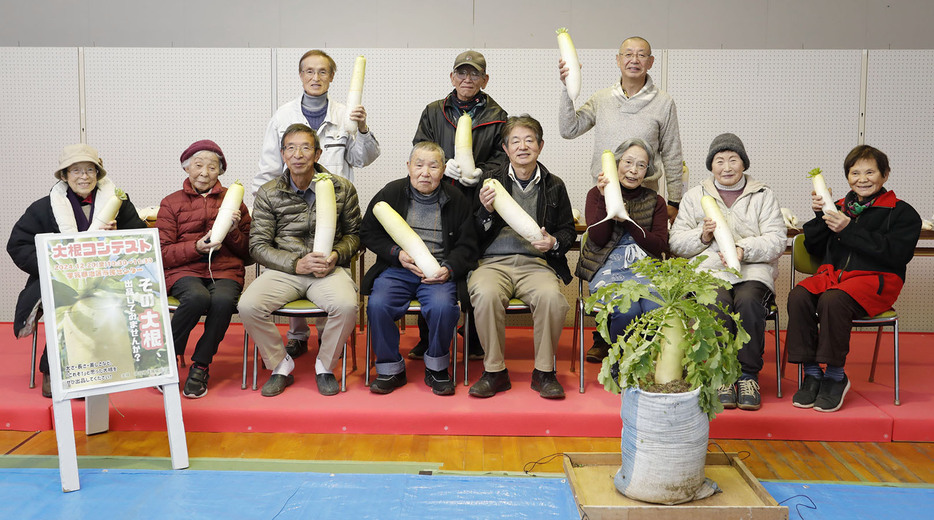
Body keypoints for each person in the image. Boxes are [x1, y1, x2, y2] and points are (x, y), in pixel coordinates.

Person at [254, 49, 379, 361]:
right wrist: (262, 208)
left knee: (323, 258)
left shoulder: (346, 114)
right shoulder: (283, 116)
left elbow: (363, 159)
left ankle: (327, 336)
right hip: (290, 203)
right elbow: (269, 167)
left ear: (332, 77)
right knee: (293, 249)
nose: (315, 77)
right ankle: (297, 335)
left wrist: (361, 128)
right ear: (300, 76)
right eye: (309, 71)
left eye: (322, 72)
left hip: (332, 205)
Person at [786, 145, 920, 413]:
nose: (862, 178)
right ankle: (812, 373)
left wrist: (848, 229)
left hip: (877, 280)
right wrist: (820, 214)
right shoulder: (837, 207)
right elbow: (813, 248)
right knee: (798, 296)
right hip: (834, 277)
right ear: (847, 176)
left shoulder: (902, 213)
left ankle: (835, 376)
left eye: (870, 172)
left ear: (885, 175)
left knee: (832, 300)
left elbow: (896, 255)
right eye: (855, 172)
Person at [7, 144, 147, 398]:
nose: (84, 176)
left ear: (98, 174)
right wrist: (55, 266)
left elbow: (140, 239)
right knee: (67, 302)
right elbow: (17, 244)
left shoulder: (119, 203)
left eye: (90, 170)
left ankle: (98, 368)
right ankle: (51, 369)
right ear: (64, 176)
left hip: (107, 276)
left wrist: (118, 238)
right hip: (59, 279)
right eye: (76, 171)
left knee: (104, 298)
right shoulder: (43, 207)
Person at [238, 124, 361, 397]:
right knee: (248, 305)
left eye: (305, 147)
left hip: (328, 269)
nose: (298, 154)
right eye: (291, 148)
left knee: (346, 305)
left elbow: (355, 236)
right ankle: (280, 364)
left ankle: (324, 365)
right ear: (283, 154)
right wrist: (296, 263)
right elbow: (258, 245)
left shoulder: (342, 188)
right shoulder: (269, 192)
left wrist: (336, 254)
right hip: (286, 269)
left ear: (317, 154)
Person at [669, 133, 785, 411]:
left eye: (733, 159)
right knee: (716, 303)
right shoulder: (695, 196)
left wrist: (743, 249)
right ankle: (720, 374)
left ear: (743, 163)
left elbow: (777, 239)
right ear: (711, 166)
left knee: (747, 302)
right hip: (711, 271)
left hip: (752, 271)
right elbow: (676, 242)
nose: (727, 167)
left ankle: (747, 376)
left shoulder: (763, 195)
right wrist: (703, 236)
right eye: (719, 161)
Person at [467, 115, 576, 399]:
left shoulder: (554, 186)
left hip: (535, 265)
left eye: (529, 140)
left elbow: (567, 232)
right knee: (486, 294)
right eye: (515, 141)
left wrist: (553, 242)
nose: (522, 146)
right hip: (492, 264)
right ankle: (494, 372)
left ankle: (544, 372)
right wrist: (485, 212)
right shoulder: (490, 184)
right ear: (505, 148)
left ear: (540, 146)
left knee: (552, 299)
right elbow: (472, 234)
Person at [410, 49, 508, 361]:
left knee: (473, 266)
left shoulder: (498, 116)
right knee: (433, 262)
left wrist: (483, 174)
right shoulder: (433, 111)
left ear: (485, 79)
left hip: (476, 203)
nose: (467, 79)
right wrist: (443, 164)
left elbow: (503, 158)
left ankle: (475, 337)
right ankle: (427, 338)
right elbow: (419, 148)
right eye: (461, 73)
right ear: (452, 77)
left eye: (474, 74)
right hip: (437, 200)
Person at [360, 142, 478, 395]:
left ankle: (436, 368)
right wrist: (396, 254)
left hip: (437, 271)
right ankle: (390, 369)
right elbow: (368, 232)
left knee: (443, 308)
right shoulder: (390, 193)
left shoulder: (456, 199)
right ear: (409, 167)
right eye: (419, 165)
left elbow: (468, 246)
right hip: (398, 269)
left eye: (433, 166)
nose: (426, 172)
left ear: (444, 170)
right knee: (378, 305)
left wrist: (449, 268)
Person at [156, 140, 252, 398]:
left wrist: (232, 233)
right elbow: (162, 253)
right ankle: (165, 361)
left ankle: (201, 365)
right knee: (197, 297)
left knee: (221, 301)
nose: (204, 172)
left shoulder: (236, 204)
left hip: (225, 271)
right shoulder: (170, 203)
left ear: (220, 171)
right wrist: (195, 247)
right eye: (198, 166)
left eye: (212, 167)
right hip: (184, 271)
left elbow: (249, 254)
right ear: (186, 168)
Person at [558, 36, 683, 222]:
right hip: (603, 191)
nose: (634, 60)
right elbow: (569, 130)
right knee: (601, 246)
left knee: (642, 247)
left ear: (650, 62)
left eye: (641, 55)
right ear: (618, 60)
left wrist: (675, 201)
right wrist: (567, 89)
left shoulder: (664, 102)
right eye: (628, 54)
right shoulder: (602, 98)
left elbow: (672, 153)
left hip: (645, 196)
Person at [576, 138, 668, 357]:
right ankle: (620, 365)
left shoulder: (656, 201)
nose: (633, 170)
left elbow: (659, 246)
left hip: (646, 270)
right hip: (607, 269)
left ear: (647, 171)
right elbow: (597, 238)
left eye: (641, 165)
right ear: (616, 164)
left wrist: (626, 219)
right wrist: (603, 198)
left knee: (656, 309)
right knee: (627, 310)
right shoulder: (595, 194)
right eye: (628, 162)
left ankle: (645, 364)